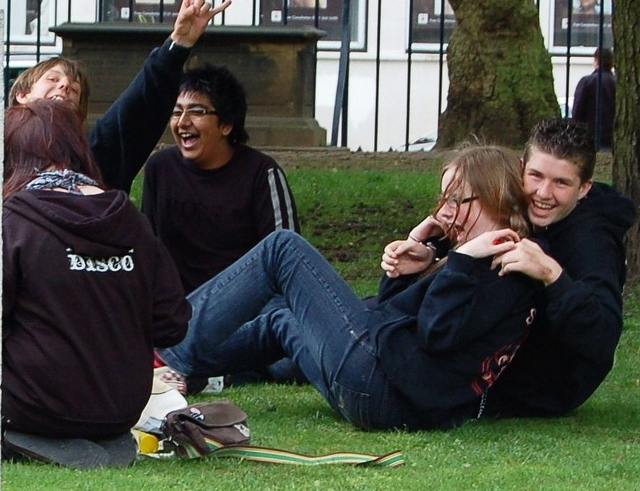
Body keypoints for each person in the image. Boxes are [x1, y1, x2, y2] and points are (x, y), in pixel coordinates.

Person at [157, 146, 541, 431]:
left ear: (497, 198)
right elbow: (390, 318)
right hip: (381, 391)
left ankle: (163, 352)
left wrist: (456, 264)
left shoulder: (502, 269)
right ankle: (185, 370)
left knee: (283, 250)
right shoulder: (476, 258)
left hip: (384, 391)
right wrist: (415, 266)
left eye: (457, 200)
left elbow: (437, 335)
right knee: (282, 319)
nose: (444, 213)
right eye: (444, 200)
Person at [384, 119, 635, 419]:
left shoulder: (591, 242)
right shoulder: (531, 214)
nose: (544, 192)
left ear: (584, 189)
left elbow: (602, 337)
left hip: (538, 388)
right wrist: (432, 252)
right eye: (536, 176)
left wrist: (552, 276)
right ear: (521, 168)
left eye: (562, 183)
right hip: (485, 356)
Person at [2, 100, 192, 466]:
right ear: (78, 149)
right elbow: (171, 323)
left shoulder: (14, 221)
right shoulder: (131, 220)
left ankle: (32, 437)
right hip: (120, 410)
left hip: (33, 406)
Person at [142, 63, 302, 391]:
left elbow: (290, 264)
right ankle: (206, 364)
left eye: (197, 112)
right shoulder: (161, 169)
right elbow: (150, 252)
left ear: (227, 124)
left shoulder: (262, 173)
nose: (183, 123)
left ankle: (209, 373)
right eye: (176, 112)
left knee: (290, 357)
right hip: (186, 313)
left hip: (250, 313)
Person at [8, 0, 230, 194]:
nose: (64, 87)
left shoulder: (94, 158)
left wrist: (179, 44)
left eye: (74, 90)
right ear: (22, 94)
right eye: (52, 79)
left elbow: (140, 104)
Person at [572, 48, 616, 151]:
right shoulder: (617, 83)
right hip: (612, 138)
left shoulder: (587, 81)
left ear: (596, 60)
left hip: (590, 137)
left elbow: (577, 111)